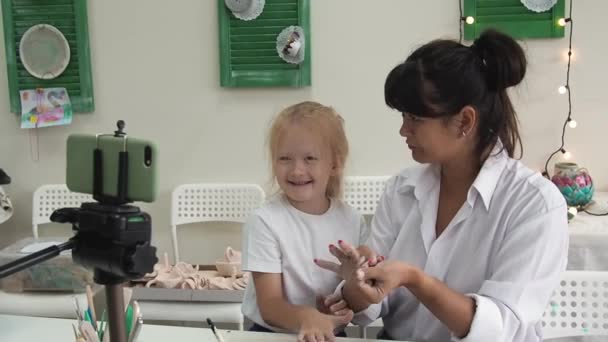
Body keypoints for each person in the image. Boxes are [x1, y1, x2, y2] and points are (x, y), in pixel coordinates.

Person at [315, 29, 569, 342]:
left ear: (464, 121)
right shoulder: (401, 190)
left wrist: (414, 278)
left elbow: (499, 329)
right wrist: (356, 285)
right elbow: (372, 302)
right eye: (403, 116)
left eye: (415, 119)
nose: (403, 130)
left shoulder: (535, 205)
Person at [241, 101, 370, 341]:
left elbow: (359, 299)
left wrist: (343, 299)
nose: (297, 170)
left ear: (335, 163)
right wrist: (308, 317)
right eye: (284, 158)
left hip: (333, 334)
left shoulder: (353, 220)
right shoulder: (264, 221)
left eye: (310, 158)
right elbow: (270, 306)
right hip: (272, 335)